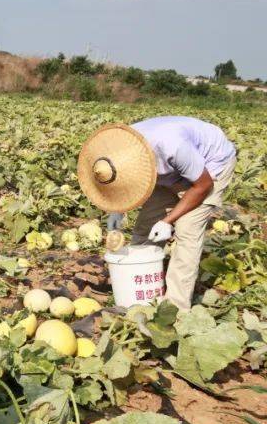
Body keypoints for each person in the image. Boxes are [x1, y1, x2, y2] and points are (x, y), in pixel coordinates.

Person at [76, 116, 237, 310]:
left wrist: (168, 221)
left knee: (187, 230)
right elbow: (122, 185)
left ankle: (175, 306)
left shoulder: (173, 146)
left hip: (210, 166)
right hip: (168, 171)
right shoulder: (120, 148)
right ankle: (138, 278)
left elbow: (203, 186)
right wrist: (116, 210)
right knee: (147, 225)